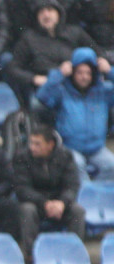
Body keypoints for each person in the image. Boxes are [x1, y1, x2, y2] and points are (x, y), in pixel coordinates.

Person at [6, 0, 103, 107]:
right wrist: (34, 78)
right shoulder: (28, 38)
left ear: (59, 14)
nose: (46, 15)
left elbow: (99, 53)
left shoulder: (75, 32)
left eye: (50, 10)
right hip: (46, 89)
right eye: (41, 12)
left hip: (75, 86)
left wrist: (100, 65)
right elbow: (13, 68)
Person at [37, 47, 114, 181]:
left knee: (111, 166)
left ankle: (100, 194)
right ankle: (84, 194)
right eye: (80, 72)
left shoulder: (103, 92)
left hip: (96, 148)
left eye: (88, 73)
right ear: (72, 73)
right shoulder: (62, 92)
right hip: (70, 148)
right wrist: (59, 74)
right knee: (77, 165)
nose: (84, 77)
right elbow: (42, 96)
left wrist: (110, 71)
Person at [13, 125, 86, 260]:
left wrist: (62, 203)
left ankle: (74, 254)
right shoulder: (22, 158)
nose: (32, 147)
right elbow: (22, 189)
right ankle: (31, 256)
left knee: (78, 211)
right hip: (36, 203)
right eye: (31, 143)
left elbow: (72, 185)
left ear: (50, 145)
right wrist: (44, 203)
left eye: (37, 144)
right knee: (27, 210)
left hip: (59, 204)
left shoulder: (65, 156)